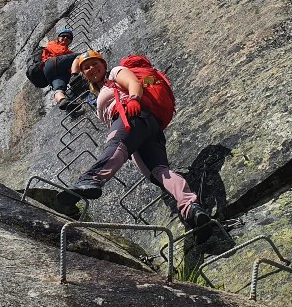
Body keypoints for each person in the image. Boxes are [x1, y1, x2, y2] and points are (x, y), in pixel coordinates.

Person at [57, 50, 211, 236]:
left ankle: (91, 179)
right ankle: (191, 208)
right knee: (158, 173)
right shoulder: (99, 91)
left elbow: (133, 83)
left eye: (95, 63)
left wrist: (133, 99)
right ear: (84, 74)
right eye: (86, 67)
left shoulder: (115, 72)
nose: (92, 68)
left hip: (131, 116)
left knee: (115, 145)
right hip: (146, 128)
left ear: (104, 65)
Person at [41, 29, 81, 111]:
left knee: (59, 88)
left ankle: (63, 101)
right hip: (51, 62)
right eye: (63, 36)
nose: (66, 38)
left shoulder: (68, 52)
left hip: (51, 72)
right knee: (81, 56)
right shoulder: (53, 44)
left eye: (69, 37)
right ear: (58, 38)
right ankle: (75, 76)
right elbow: (59, 52)